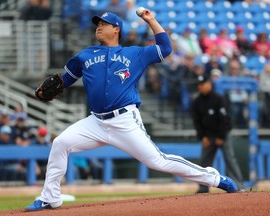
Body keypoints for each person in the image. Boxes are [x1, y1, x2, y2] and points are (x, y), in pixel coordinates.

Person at [25, 10, 238, 211]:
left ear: (116, 29)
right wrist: (47, 90)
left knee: (158, 161)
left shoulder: (135, 54)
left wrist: (151, 21)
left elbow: (165, 48)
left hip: (124, 121)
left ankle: (215, 179)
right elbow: (66, 79)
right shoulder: (85, 55)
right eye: (97, 24)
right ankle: (50, 197)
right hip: (95, 122)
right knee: (61, 143)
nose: (98, 27)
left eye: (103, 24)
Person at [191, 74, 244, 193]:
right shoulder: (197, 102)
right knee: (204, 162)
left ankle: (239, 186)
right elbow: (197, 122)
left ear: (209, 84)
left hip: (223, 134)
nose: (200, 87)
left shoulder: (218, 99)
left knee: (230, 159)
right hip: (208, 136)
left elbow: (225, 120)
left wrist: (221, 136)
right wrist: (202, 137)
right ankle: (203, 188)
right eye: (199, 85)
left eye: (203, 84)